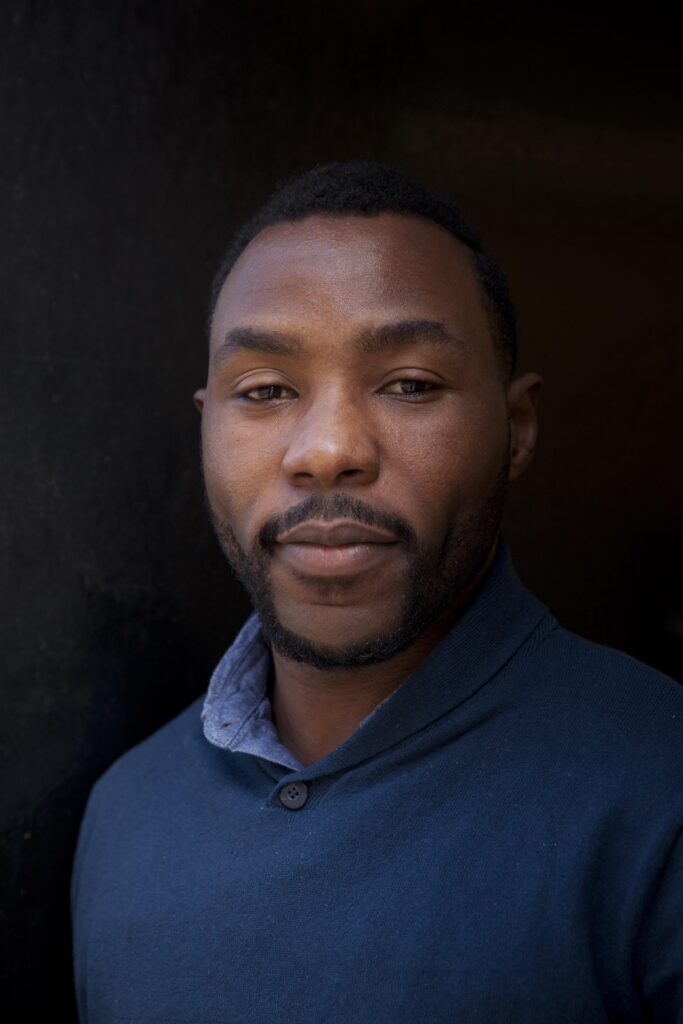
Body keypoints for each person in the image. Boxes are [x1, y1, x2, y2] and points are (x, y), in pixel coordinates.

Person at [71, 161, 683, 1023]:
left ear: (516, 431)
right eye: (267, 391)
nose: (326, 450)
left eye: (408, 385)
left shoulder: (658, 790)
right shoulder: (127, 814)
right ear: (206, 423)